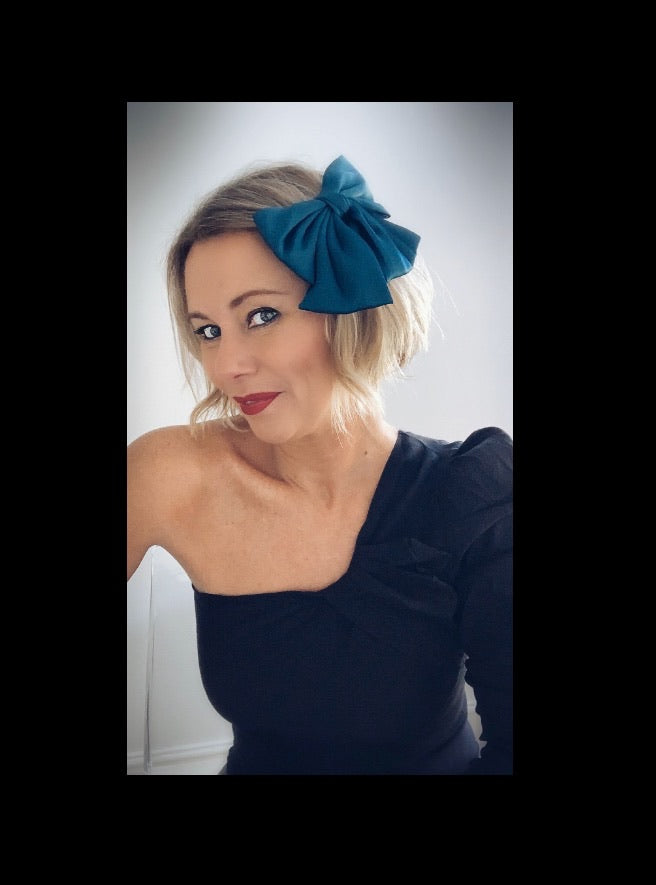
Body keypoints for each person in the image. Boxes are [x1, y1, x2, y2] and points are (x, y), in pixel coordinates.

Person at [127, 154, 513, 775]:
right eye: (207, 331)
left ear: (351, 307)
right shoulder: (171, 472)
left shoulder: (471, 490)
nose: (227, 367)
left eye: (261, 316)